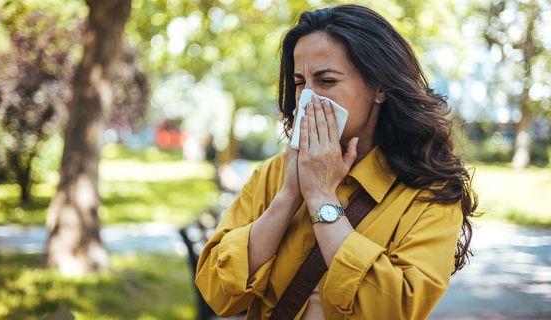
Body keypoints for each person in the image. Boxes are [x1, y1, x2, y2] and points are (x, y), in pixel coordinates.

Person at [195, 4, 477, 320]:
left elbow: (393, 309)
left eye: (326, 81)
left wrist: (321, 199)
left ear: (380, 87)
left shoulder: (429, 193)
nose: (306, 98)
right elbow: (216, 292)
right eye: (300, 82)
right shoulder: (274, 172)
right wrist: (288, 196)